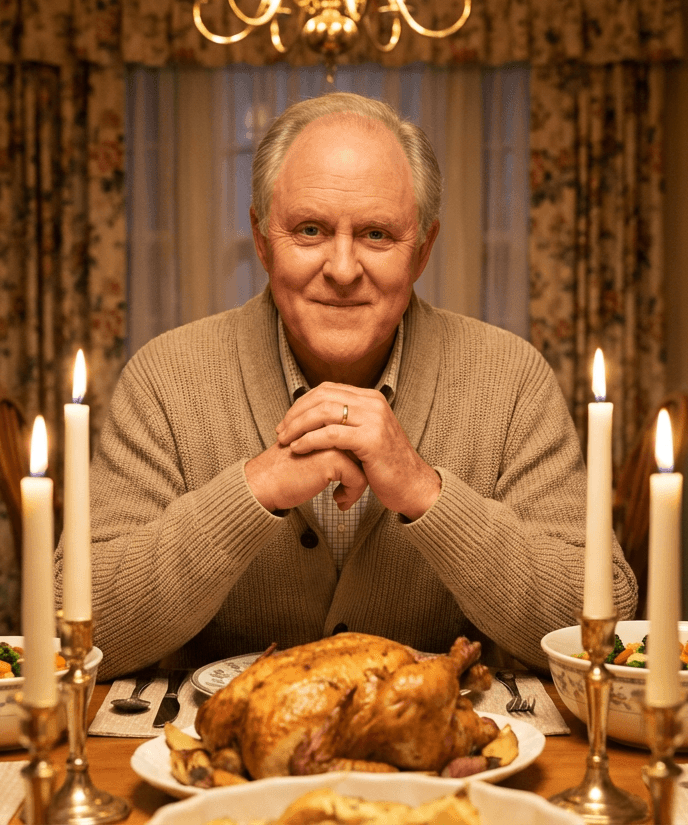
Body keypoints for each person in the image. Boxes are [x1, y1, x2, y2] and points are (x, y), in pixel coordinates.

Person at [54, 92, 636, 679]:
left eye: (377, 235)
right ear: (261, 240)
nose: (341, 268)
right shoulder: (166, 379)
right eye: (309, 230)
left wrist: (424, 492)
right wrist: (253, 491)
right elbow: (75, 625)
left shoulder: (509, 380)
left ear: (423, 250)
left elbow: (600, 627)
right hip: (229, 755)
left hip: (439, 757)